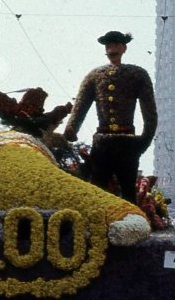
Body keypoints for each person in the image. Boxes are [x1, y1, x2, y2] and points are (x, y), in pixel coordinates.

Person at [63, 31, 157, 201]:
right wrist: (71, 128)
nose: (111, 49)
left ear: (124, 48)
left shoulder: (137, 74)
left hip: (127, 142)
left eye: (115, 45)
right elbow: (80, 105)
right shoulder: (94, 76)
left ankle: (131, 225)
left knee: (128, 191)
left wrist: (144, 141)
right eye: (108, 46)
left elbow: (150, 112)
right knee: (97, 190)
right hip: (102, 143)